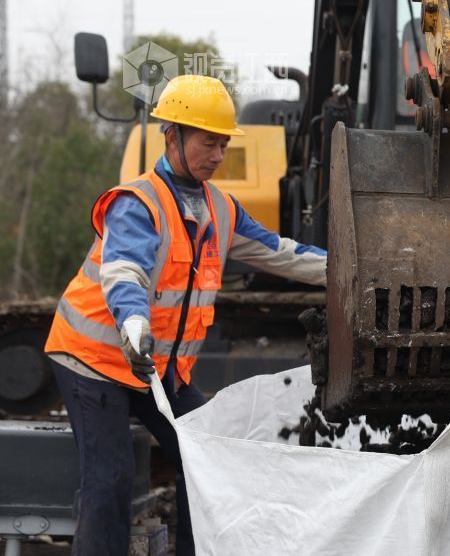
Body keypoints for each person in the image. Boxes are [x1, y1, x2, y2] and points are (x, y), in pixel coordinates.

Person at [44, 75, 328, 556]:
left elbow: (280, 253)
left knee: (209, 462)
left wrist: (350, 269)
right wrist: (134, 326)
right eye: (207, 143)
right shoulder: (138, 203)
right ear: (171, 136)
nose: (217, 156)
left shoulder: (221, 207)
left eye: (222, 144)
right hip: (94, 364)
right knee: (110, 481)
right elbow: (124, 274)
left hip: (160, 373)